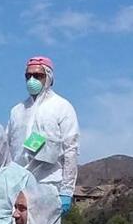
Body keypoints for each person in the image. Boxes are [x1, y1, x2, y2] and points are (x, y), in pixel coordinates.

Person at [7, 56, 80, 215]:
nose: (31, 80)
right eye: (28, 76)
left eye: (37, 76)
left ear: (49, 77)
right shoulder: (17, 111)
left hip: (49, 184)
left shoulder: (62, 107)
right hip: (19, 188)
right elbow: (7, 151)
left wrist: (66, 190)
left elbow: (70, 150)